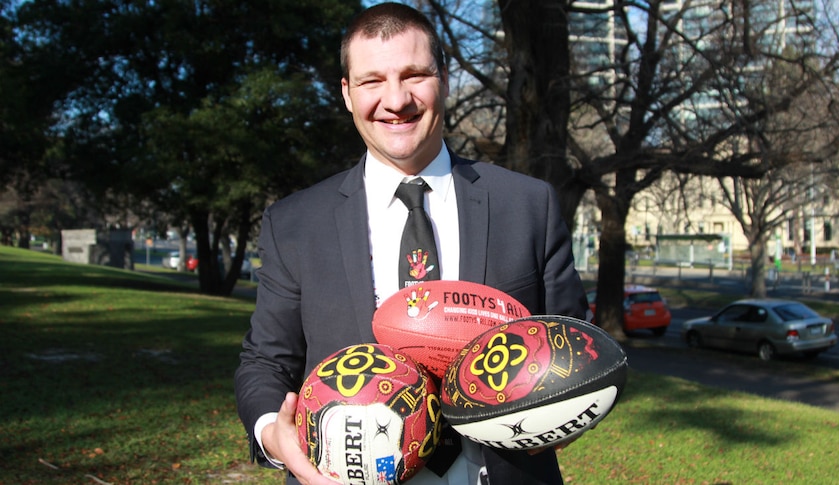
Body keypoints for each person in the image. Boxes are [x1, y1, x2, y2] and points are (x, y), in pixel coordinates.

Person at [234, 3, 590, 484]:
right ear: (346, 93)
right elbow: (265, 361)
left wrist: (568, 400)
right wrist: (274, 437)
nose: (395, 100)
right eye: (371, 81)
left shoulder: (528, 204)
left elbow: (573, 346)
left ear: (442, 78)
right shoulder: (294, 223)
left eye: (414, 74)